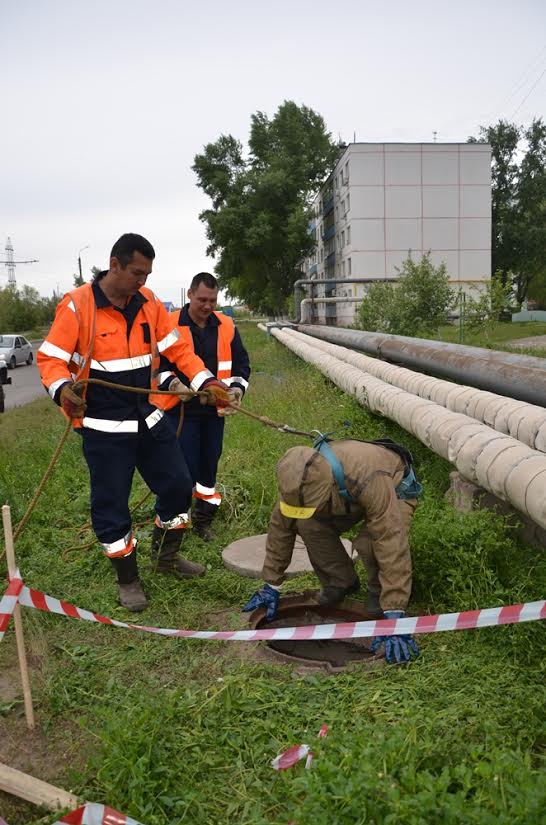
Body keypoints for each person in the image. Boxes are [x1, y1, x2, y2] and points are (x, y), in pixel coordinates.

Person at [37, 234, 229, 612]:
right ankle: (128, 579)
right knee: (112, 505)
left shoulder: (149, 303)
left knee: (178, 485)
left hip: (148, 416)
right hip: (103, 426)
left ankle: (166, 558)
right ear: (115, 265)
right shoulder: (78, 306)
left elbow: (178, 350)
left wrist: (207, 382)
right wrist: (63, 391)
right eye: (137, 273)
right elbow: (51, 360)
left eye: (147, 275)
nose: (142, 281)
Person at [242, 437, 422, 664]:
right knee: (307, 523)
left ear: (327, 488)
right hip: (348, 493)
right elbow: (280, 529)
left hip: (393, 489)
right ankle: (340, 581)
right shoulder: (297, 480)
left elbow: (390, 540)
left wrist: (394, 612)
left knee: (369, 543)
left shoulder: (368, 476)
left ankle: (380, 593)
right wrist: (272, 583)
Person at [165, 272, 250, 540]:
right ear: (190, 294)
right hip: (180, 411)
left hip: (214, 411)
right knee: (182, 470)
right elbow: (157, 364)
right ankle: (177, 525)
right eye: (202, 299)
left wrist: (236, 390)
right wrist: (173, 384)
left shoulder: (226, 325)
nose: (207, 305)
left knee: (208, 466)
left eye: (212, 300)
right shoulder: (169, 324)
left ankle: (203, 522)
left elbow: (241, 365)